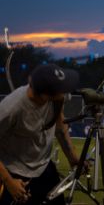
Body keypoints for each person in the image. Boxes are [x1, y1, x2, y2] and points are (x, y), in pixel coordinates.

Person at [0, 64, 82, 205]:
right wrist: (9, 182)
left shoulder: (56, 100)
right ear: (45, 95)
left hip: (44, 167)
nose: (66, 91)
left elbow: (60, 127)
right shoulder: (11, 108)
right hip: (13, 172)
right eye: (61, 88)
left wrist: (73, 158)